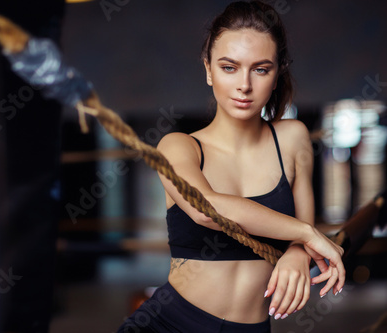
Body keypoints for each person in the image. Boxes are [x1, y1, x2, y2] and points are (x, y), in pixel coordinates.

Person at [117, 1, 345, 332]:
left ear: (277, 72)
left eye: (260, 69)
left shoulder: (293, 139)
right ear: (208, 69)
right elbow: (205, 209)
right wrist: (306, 235)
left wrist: (298, 253)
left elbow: (301, 229)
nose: (244, 85)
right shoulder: (179, 146)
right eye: (229, 67)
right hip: (169, 323)